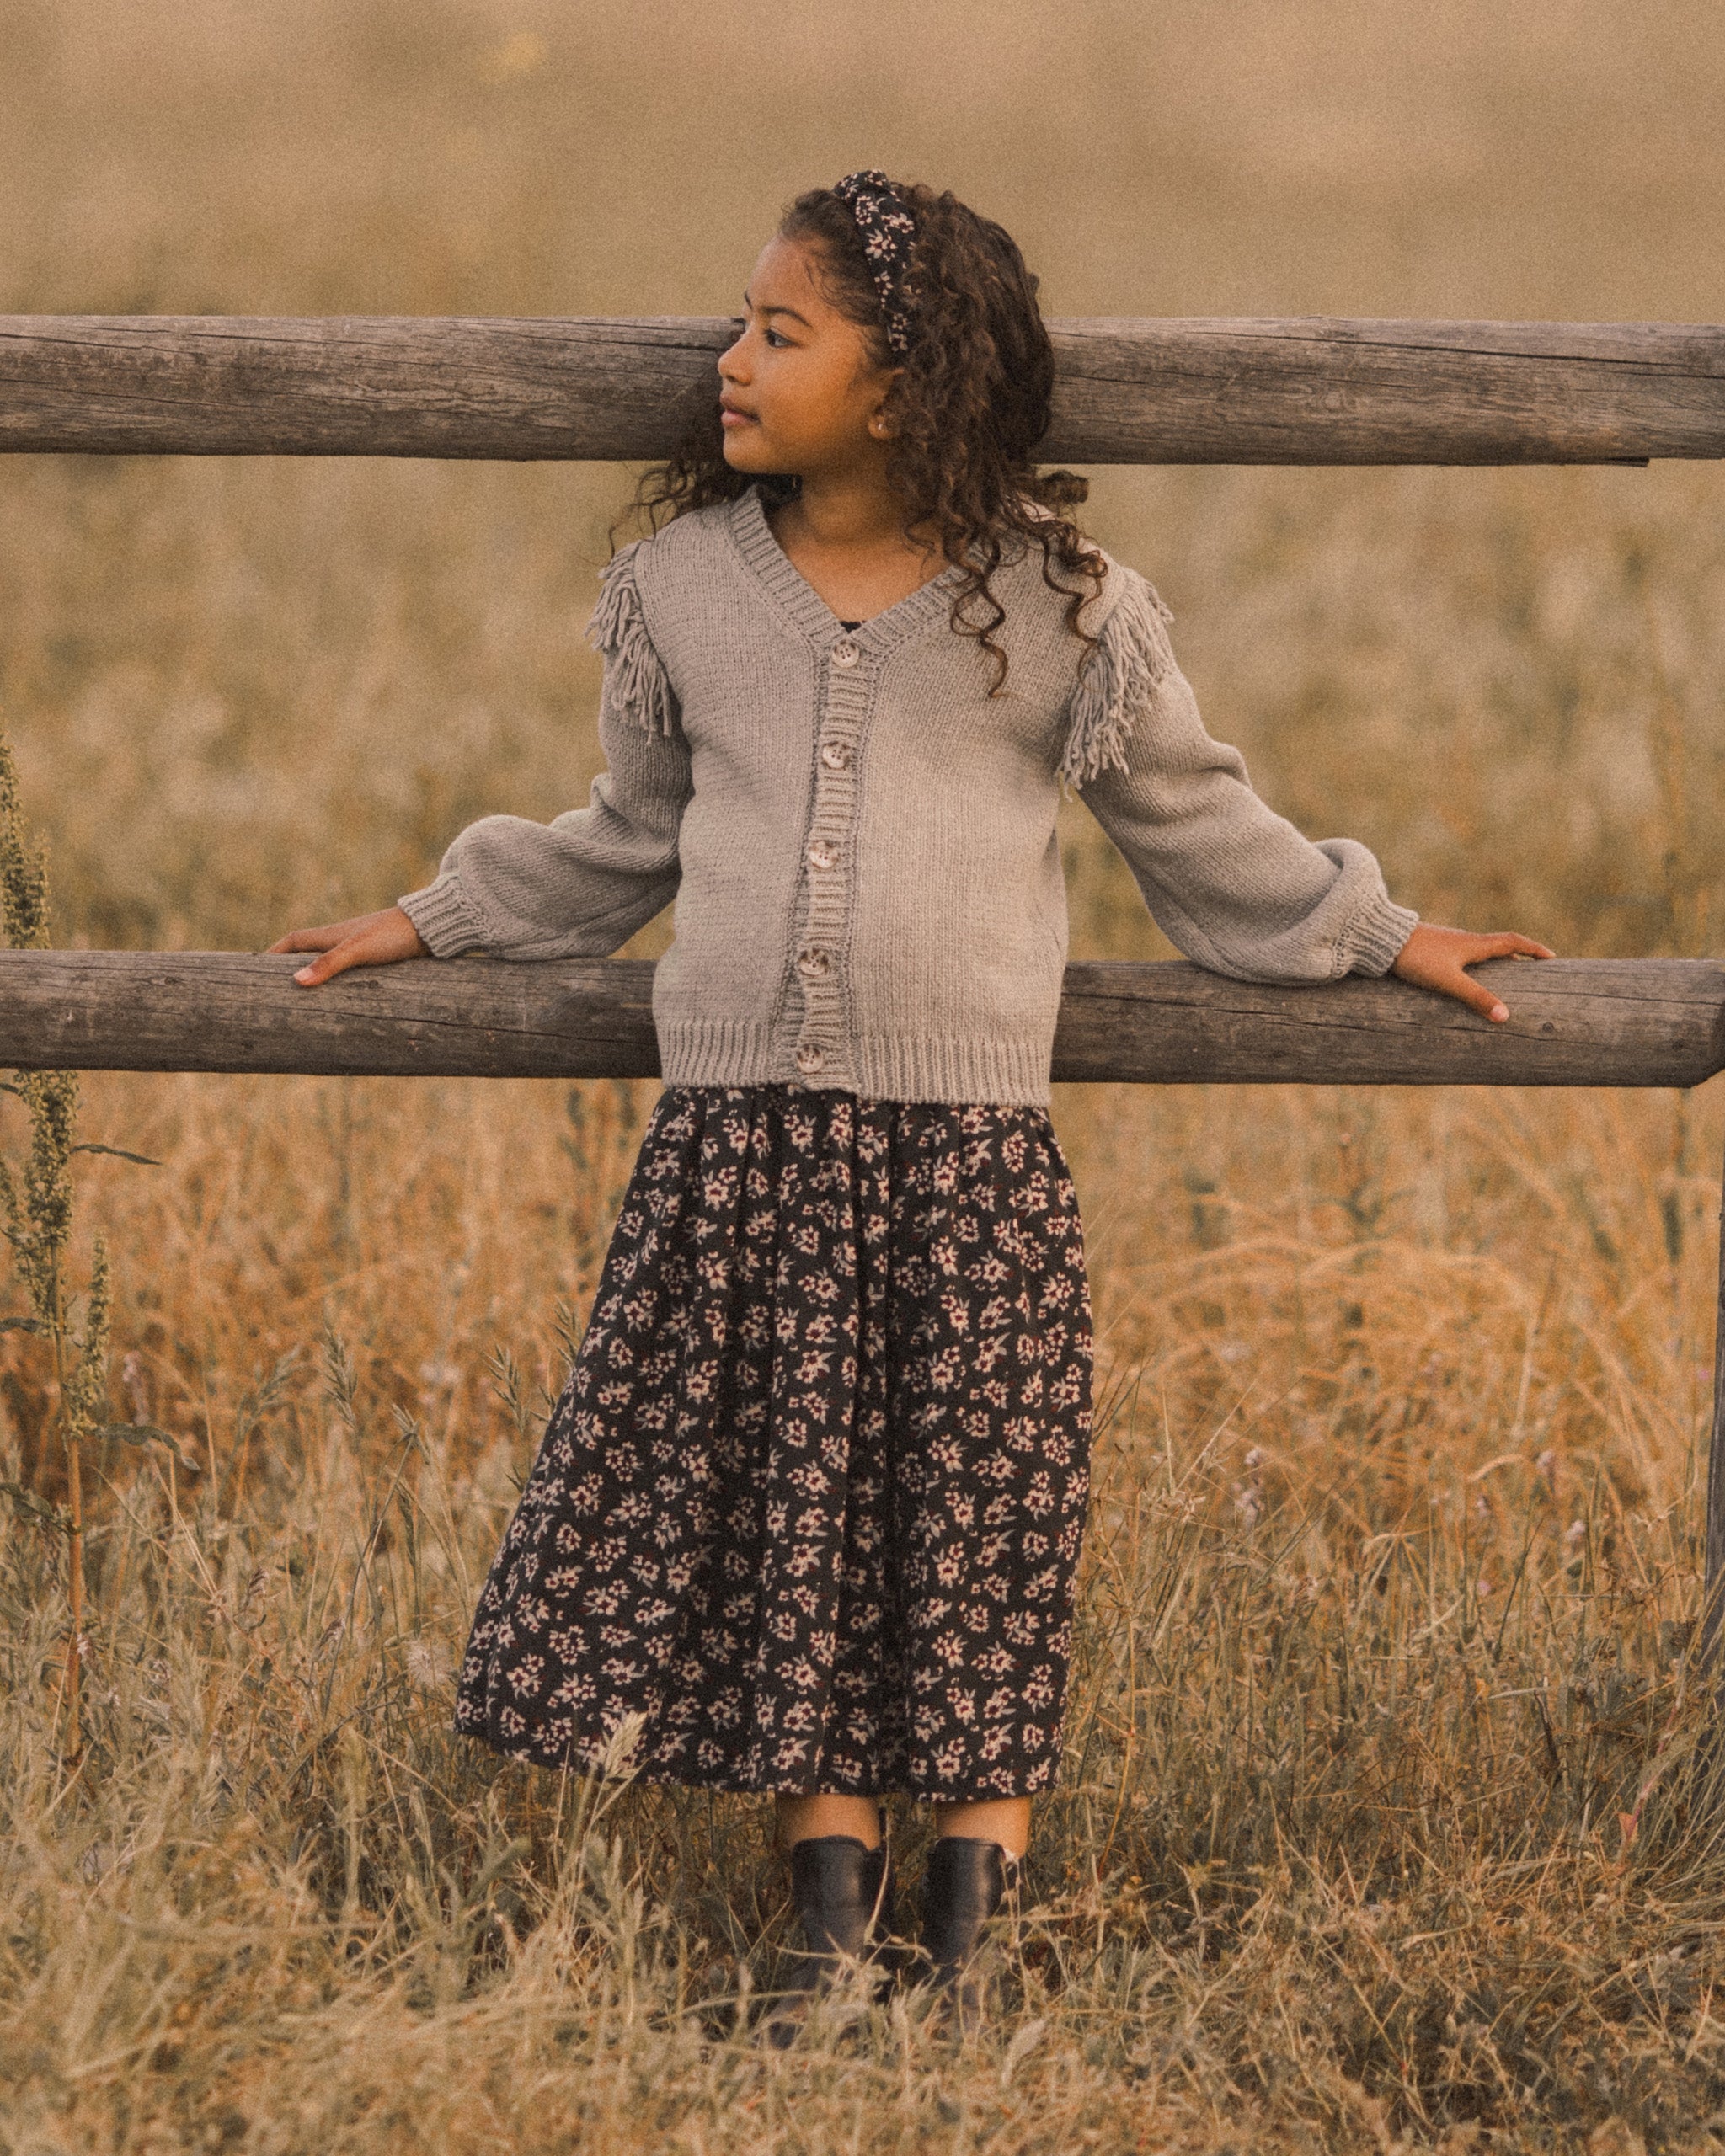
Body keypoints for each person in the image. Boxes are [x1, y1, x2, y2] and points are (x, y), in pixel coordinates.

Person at [270, 170, 1551, 2036]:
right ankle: (819, 1907)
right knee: (794, 1516)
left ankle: (967, 1921)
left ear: (902, 382)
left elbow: (1194, 824)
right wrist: (432, 914)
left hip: (964, 1157)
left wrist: (1376, 926)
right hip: (742, 1152)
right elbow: (622, 838)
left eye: (777, 332)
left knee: (972, 1516)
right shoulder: (682, 592)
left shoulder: (1058, 604)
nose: (727, 358)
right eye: (737, 323)